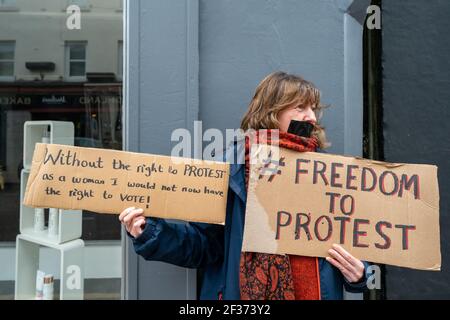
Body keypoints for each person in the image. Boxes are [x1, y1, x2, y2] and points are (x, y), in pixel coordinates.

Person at [119, 71, 370, 300]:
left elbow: (358, 243)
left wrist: (360, 272)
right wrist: (149, 232)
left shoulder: (327, 174)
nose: (312, 117)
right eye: (301, 107)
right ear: (272, 112)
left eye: (314, 109)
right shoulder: (231, 170)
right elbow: (203, 245)